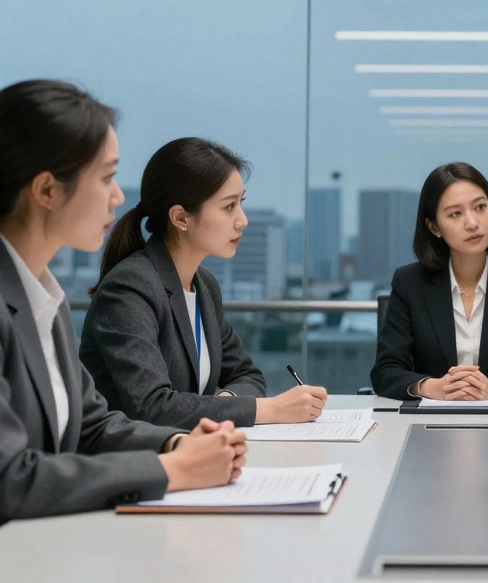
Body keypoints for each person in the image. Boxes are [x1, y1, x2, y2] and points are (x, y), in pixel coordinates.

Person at [0, 81, 246, 571]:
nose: (119, 196)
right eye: (106, 178)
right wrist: (171, 469)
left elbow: (91, 426)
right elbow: (5, 482)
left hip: (17, 554)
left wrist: (175, 442)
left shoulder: (38, 292)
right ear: (47, 190)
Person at [81, 138, 327, 429]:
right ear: (181, 217)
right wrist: (271, 408)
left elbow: (248, 376)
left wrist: (224, 403)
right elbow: (152, 407)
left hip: (193, 454)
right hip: (132, 463)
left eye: (241, 204)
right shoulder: (130, 288)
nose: (242, 220)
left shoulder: (204, 285)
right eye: (228, 207)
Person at [370, 162, 488, 400]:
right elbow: (385, 372)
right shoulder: (409, 282)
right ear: (434, 226)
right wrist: (432, 387)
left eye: (480, 207)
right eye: (455, 214)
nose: (472, 223)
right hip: (430, 420)